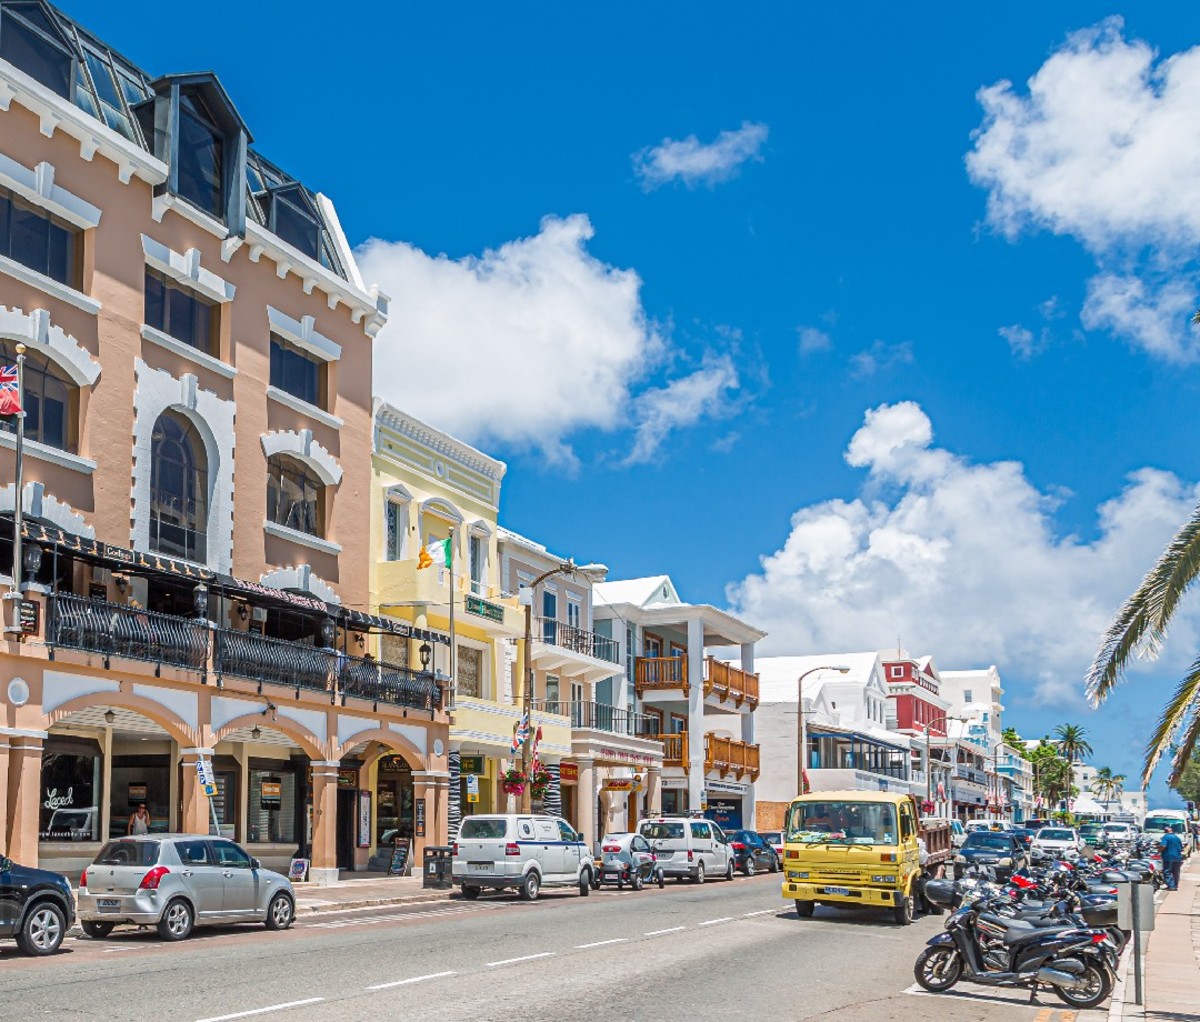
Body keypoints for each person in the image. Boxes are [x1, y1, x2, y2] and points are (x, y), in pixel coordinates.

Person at [1159, 827, 1184, 891]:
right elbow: (1181, 847)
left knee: (1167, 871)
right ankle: (1175, 885)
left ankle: (1171, 886)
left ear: (1166, 831)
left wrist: (1159, 850)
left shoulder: (1166, 837)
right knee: (1176, 872)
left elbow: (1163, 846)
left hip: (1168, 857)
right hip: (1177, 857)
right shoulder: (1177, 837)